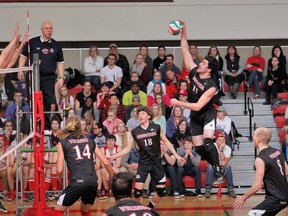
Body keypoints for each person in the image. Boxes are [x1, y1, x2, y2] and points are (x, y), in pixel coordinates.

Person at [170, 21, 225, 185]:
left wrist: (178, 102)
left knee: (208, 141)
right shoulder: (194, 72)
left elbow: (198, 106)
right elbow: (185, 50)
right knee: (200, 149)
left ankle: (217, 170)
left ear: (209, 69)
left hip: (206, 114)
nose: (199, 63)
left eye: (203, 63)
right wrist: (183, 31)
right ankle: (216, 164)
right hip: (195, 116)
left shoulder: (212, 87)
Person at [109, 106, 185, 209]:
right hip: (144, 164)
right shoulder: (135, 131)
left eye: (143, 114)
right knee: (137, 192)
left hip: (156, 163)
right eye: (139, 114)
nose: (140, 115)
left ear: (149, 116)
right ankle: (138, 209)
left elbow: (167, 142)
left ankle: (150, 208)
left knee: (161, 191)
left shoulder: (157, 128)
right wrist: (114, 156)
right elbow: (127, 148)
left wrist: (176, 155)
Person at [53, 116, 113, 216]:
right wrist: (111, 176)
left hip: (77, 182)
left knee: (56, 212)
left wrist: (59, 177)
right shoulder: (90, 141)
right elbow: (106, 162)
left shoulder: (63, 142)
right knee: (85, 211)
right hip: (93, 182)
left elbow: (59, 169)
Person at [19, 21, 65, 127]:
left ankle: (47, 127)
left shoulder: (56, 45)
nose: (49, 30)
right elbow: (23, 55)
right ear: (42, 29)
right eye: (47, 28)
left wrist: (61, 77)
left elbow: (60, 63)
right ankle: (33, 125)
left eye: (51, 28)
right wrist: (21, 69)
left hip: (49, 78)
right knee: (34, 100)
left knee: (49, 102)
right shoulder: (33, 42)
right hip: (34, 76)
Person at [233, 127, 288, 215]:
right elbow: (285, 171)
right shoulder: (278, 152)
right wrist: (267, 181)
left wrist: (244, 198)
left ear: (258, 139)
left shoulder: (260, 158)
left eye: (254, 136)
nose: (253, 138)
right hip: (285, 195)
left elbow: (257, 185)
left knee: (253, 214)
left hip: (276, 198)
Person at [204, 131, 236, 198]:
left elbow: (224, 163)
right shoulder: (212, 147)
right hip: (214, 167)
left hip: (222, 167)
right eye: (220, 140)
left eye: (223, 140)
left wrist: (221, 151)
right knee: (210, 167)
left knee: (228, 167)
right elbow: (210, 162)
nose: (222, 142)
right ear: (216, 140)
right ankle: (207, 189)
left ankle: (231, 189)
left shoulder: (228, 148)